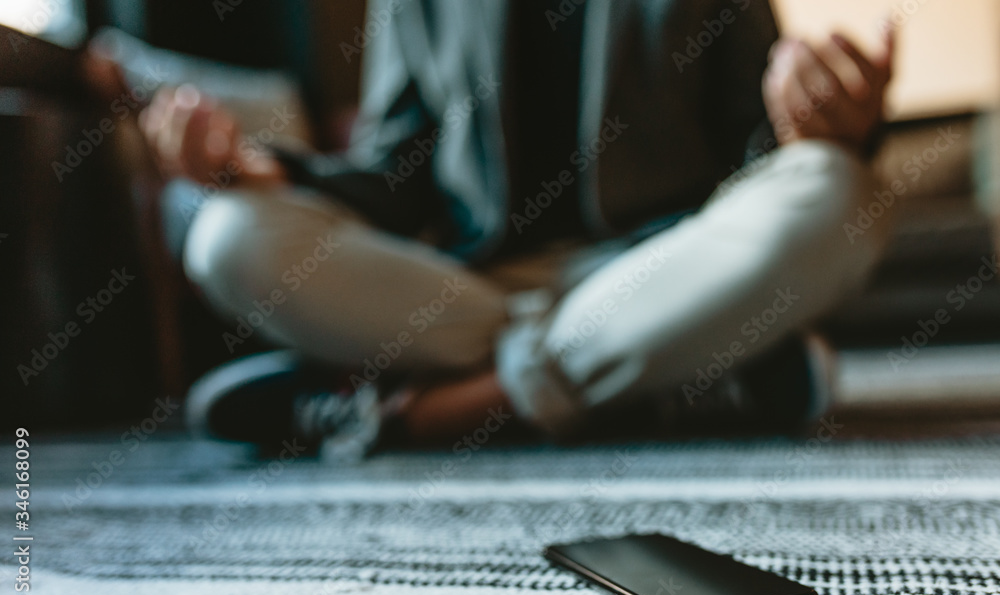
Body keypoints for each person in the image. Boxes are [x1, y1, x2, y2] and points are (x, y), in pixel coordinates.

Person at [134, 0, 895, 457]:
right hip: (476, 290)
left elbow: (754, 153)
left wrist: (820, 130)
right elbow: (396, 177)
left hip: (660, 262)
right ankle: (679, 367)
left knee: (840, 190)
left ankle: (430, 407)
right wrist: (264, 174)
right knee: (226, 235)